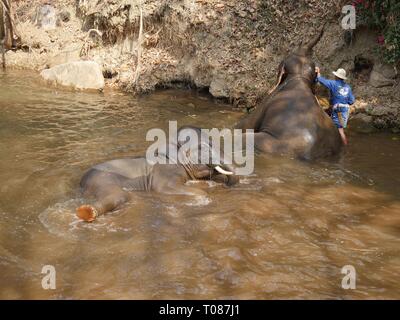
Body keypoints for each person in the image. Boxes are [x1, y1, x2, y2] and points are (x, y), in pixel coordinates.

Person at [315, 67, 355, 145]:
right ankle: (339, 144)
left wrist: (318, 72)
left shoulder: (333, 84)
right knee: (339, 128)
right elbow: (352, 101)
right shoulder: (347, 87)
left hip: (337, 108)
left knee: (339, 130)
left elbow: (322, 80)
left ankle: (344, 147)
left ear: (337, 76)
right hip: (345, 109)